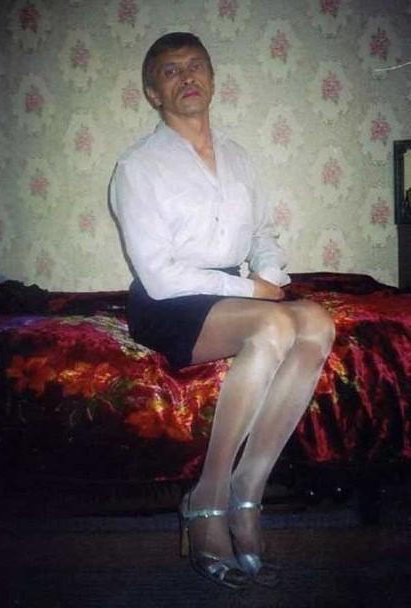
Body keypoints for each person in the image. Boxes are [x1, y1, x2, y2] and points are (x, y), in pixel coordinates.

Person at [110, 32, 335, 590]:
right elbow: (160, 275)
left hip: (234, 296)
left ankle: (247, 491)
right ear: (152, 93)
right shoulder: (137, 166)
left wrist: (271, 278)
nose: (186, 76)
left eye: (195, 66)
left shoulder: (239, 157)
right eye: (170, 71)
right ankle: (207, 496)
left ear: (211, 78)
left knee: (317, 321)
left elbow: (261, 234)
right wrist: (254, 292)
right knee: (274, 324)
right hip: (168, 302)